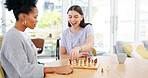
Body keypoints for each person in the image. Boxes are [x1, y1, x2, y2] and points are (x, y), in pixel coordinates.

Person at [0, 0, 73, 78]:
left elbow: (32, 63)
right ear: (23, 17)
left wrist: (56, 68)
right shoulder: (13, 37)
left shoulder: (21, 34)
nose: (37, 20)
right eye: (35, 17)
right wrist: (56, 69)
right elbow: (25, 71)